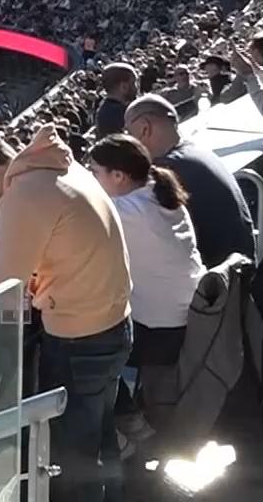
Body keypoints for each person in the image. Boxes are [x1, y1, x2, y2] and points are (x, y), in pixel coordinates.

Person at [0, 124, 132, 502]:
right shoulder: (59, 169)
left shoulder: (24, 195)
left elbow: (3, 290)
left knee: (72, 456)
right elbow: (51, 246)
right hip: (113, 326)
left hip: (82, 340)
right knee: (100, 435)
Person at [86, 134, 205, 374]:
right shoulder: (159, 191)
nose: (91, 179)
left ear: (118, 176)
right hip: (188, 312)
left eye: (95, 172)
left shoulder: (126, 211)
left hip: (160, 330)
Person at [123, 95, 255, 264]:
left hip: (217, 281)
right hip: (236, 271)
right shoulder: (196, 153)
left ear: (144, 128)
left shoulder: (167, 171)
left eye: (128, 132)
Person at [94, 63, 137, 136]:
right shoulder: (118, 113)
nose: (136, 88)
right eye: (133, 83)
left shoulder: (106, 109)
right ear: (123, 87)